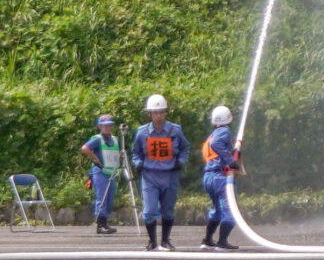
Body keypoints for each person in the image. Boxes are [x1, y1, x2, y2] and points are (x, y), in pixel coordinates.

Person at [131, 94, 190, 251]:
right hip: (150, 176)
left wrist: (180, 161)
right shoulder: (142, 132)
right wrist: (138, 164)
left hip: (170, 175)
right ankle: (152, 242)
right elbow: (135, 152)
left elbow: (185, 147)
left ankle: (165, 240)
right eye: (155, 113)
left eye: (161, 112)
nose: (159, 116)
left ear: (165, 113)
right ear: (149, 114)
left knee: (168, 210)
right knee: (149, 210)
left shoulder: (175, 131)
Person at [201, 105, 242, 251]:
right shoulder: (224, 132)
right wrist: (231, 160)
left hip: (209, 177)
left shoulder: (212, 134)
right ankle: (222, 242)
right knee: (229, 210)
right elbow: (216, 145)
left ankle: (207, 240)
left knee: (217, 210)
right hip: (219, 177)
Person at [81, 114, 120, 234]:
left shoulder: (114, 139)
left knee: (109, 199)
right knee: (101, 198)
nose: (108, 128)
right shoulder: (98, 139)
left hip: (111, 172)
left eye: (110, 125)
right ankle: (100, 225)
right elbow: (85, 148)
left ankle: (105, 222)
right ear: (100, 126)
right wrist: (94, 158)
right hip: (100, 171)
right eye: (105, 126)